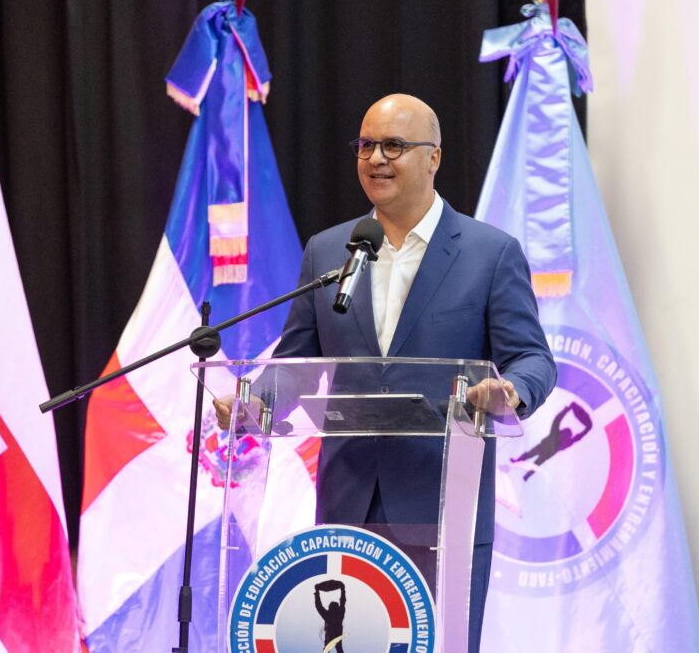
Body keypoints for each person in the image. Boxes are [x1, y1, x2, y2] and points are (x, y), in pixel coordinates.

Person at [216, 94, 556, 652]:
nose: (375, 158)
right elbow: (296, 363)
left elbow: (533, 358)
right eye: (366, 145)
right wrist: (256, 401)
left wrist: (511, 391)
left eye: (393, 145)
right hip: (347, 501)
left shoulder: (488, 253)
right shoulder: (329, 251)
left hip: (442, 502)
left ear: (434, 157)